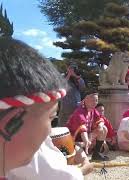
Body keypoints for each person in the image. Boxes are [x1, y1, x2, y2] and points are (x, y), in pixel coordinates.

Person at [0, 37, 90, 179]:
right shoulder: (27, 156)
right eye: (51, 118)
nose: (50, 130)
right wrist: (84, 166)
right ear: (12, 122)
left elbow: (83, 87)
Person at [66, 92, 108, 161]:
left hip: (86, 137)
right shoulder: (79, 112)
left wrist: (100, 125)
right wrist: (87, 141)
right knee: (81, 158)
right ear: (86, 100)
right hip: (75, 139)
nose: (94, 103)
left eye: (96, 100)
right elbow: (82, 129)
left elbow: (101, 119)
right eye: (92, 100)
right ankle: (84, 148)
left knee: (103, 128)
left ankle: (96, 154)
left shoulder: (93, 110)